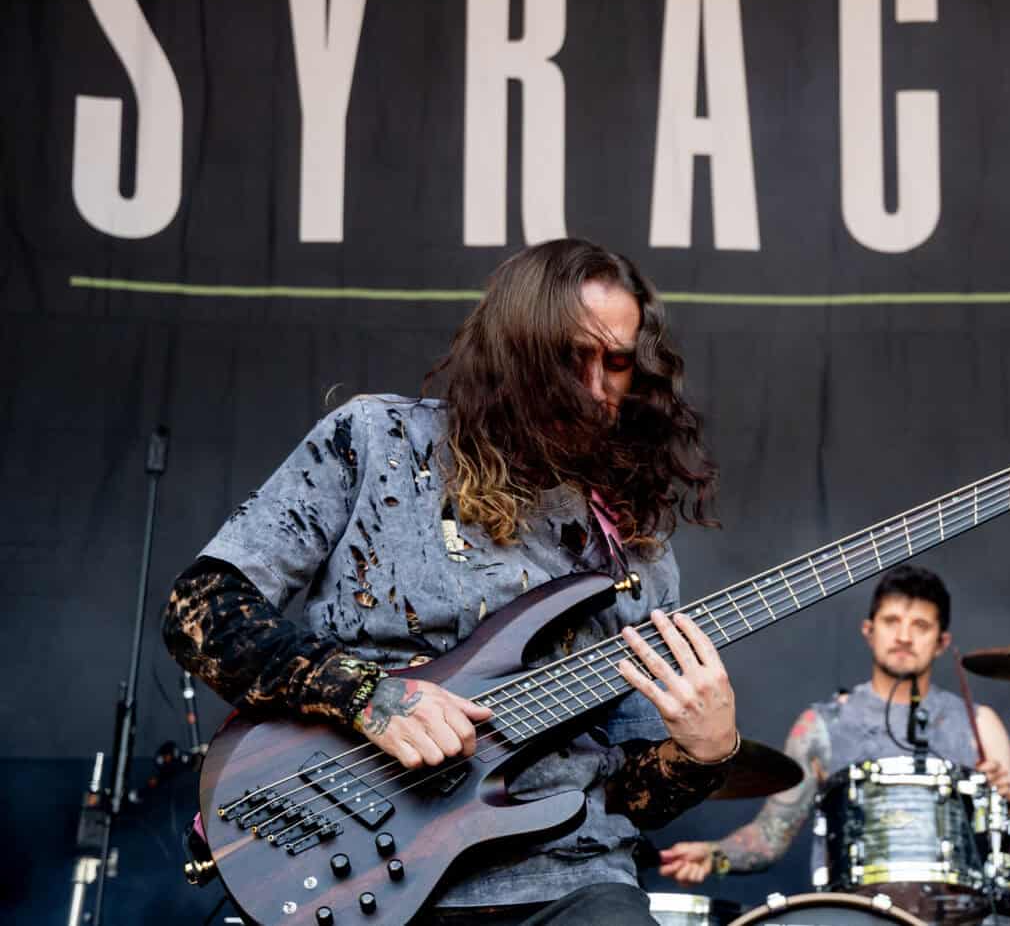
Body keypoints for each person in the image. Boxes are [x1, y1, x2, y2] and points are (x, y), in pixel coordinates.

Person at [162, 239, 737, 925]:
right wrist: (369, 697)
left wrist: (705, 752)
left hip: (570, 880)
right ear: (514, 350)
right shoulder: (378, 440)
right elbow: (202, 610)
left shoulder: (635, 542)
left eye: (616, 362)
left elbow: (630, 795)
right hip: (361, 868)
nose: (594, 388)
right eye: (571, 356)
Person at [656, 564, 1010, 886]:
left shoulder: (980, 724)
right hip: (855, 912)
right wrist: (715, 854)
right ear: (868, 630)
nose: (904, 636)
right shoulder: (821, 725)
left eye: (921, 625)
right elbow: (771, 834)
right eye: (892, 621)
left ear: (942, 642)